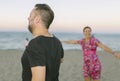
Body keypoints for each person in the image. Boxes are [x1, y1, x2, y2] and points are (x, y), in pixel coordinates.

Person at [21, 4, 64, 81]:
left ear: (37, 19)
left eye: (30, 15)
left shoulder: (35, 44)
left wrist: (33, 49)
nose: (28, 18)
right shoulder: (57, 41)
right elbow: (61, 60)